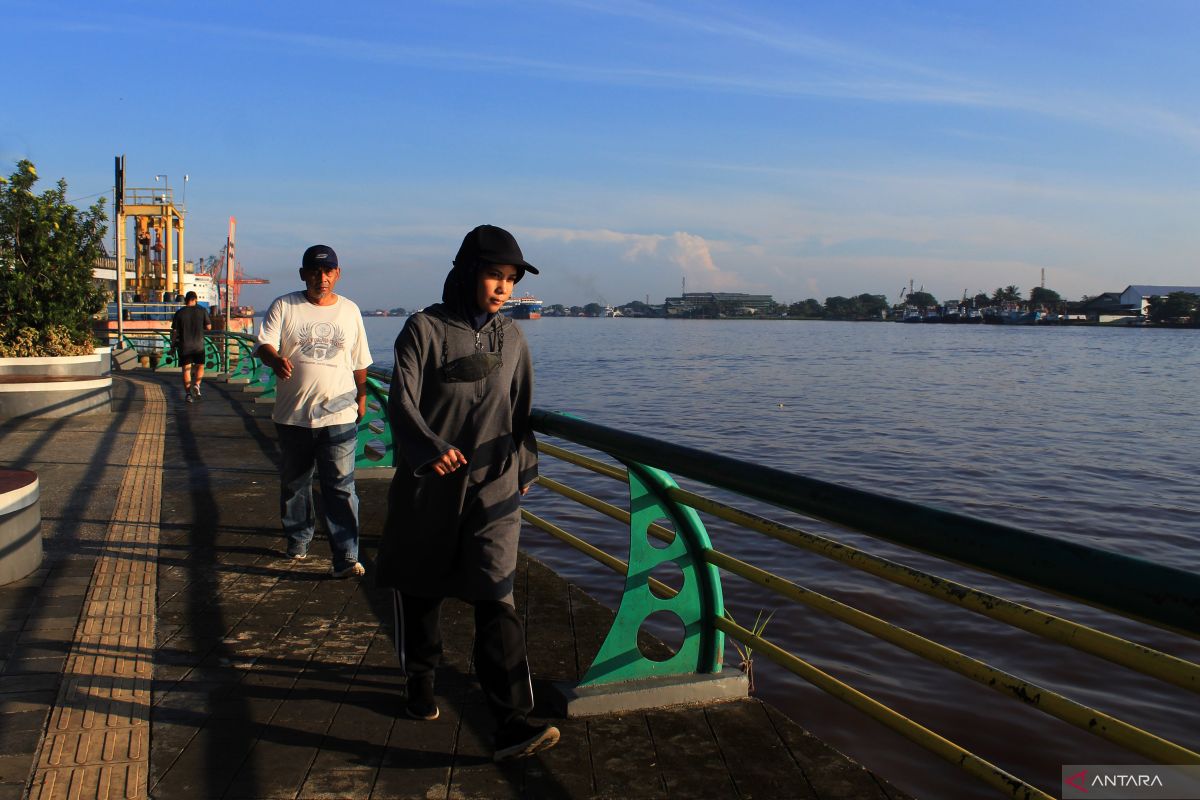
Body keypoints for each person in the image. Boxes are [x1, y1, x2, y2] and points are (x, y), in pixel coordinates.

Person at [378, 224, 558, 762]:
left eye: (510, 279)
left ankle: (510, 723)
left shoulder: (513, 339)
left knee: (496, 594)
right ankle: (421, 680)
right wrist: (429, 448)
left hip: (494, 484)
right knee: (421, 589)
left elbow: (522, 412)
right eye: (493, 275)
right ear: (465, 274)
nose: (502, 288)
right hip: (430, 485)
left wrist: (525, 462)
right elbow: (401, 402)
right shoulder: (423, 330)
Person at [254, 244, 371, 578]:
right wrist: (274, 359)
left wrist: (362, 395)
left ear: (337, 273)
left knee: (341, 486)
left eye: (329, 271)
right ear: (303, 274)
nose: (322, 278)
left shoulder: (350, 311)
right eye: (315, 271)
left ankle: (346, 556)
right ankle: (299, 538)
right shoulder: (284, 306)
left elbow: (359, 361)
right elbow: (264, 344)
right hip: (293, 416)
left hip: (339, 415)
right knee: (295, 483)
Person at [170, 290, 212, 403]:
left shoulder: (179, 313)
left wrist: (172, 346)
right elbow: (209, 327)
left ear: (185, 300)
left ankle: (188, 394)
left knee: (186, 370)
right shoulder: (202, 311)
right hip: (198, 345)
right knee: (200, 366)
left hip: (184, 346)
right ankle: (197, 385)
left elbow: (174, 332)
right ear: (195, 299)